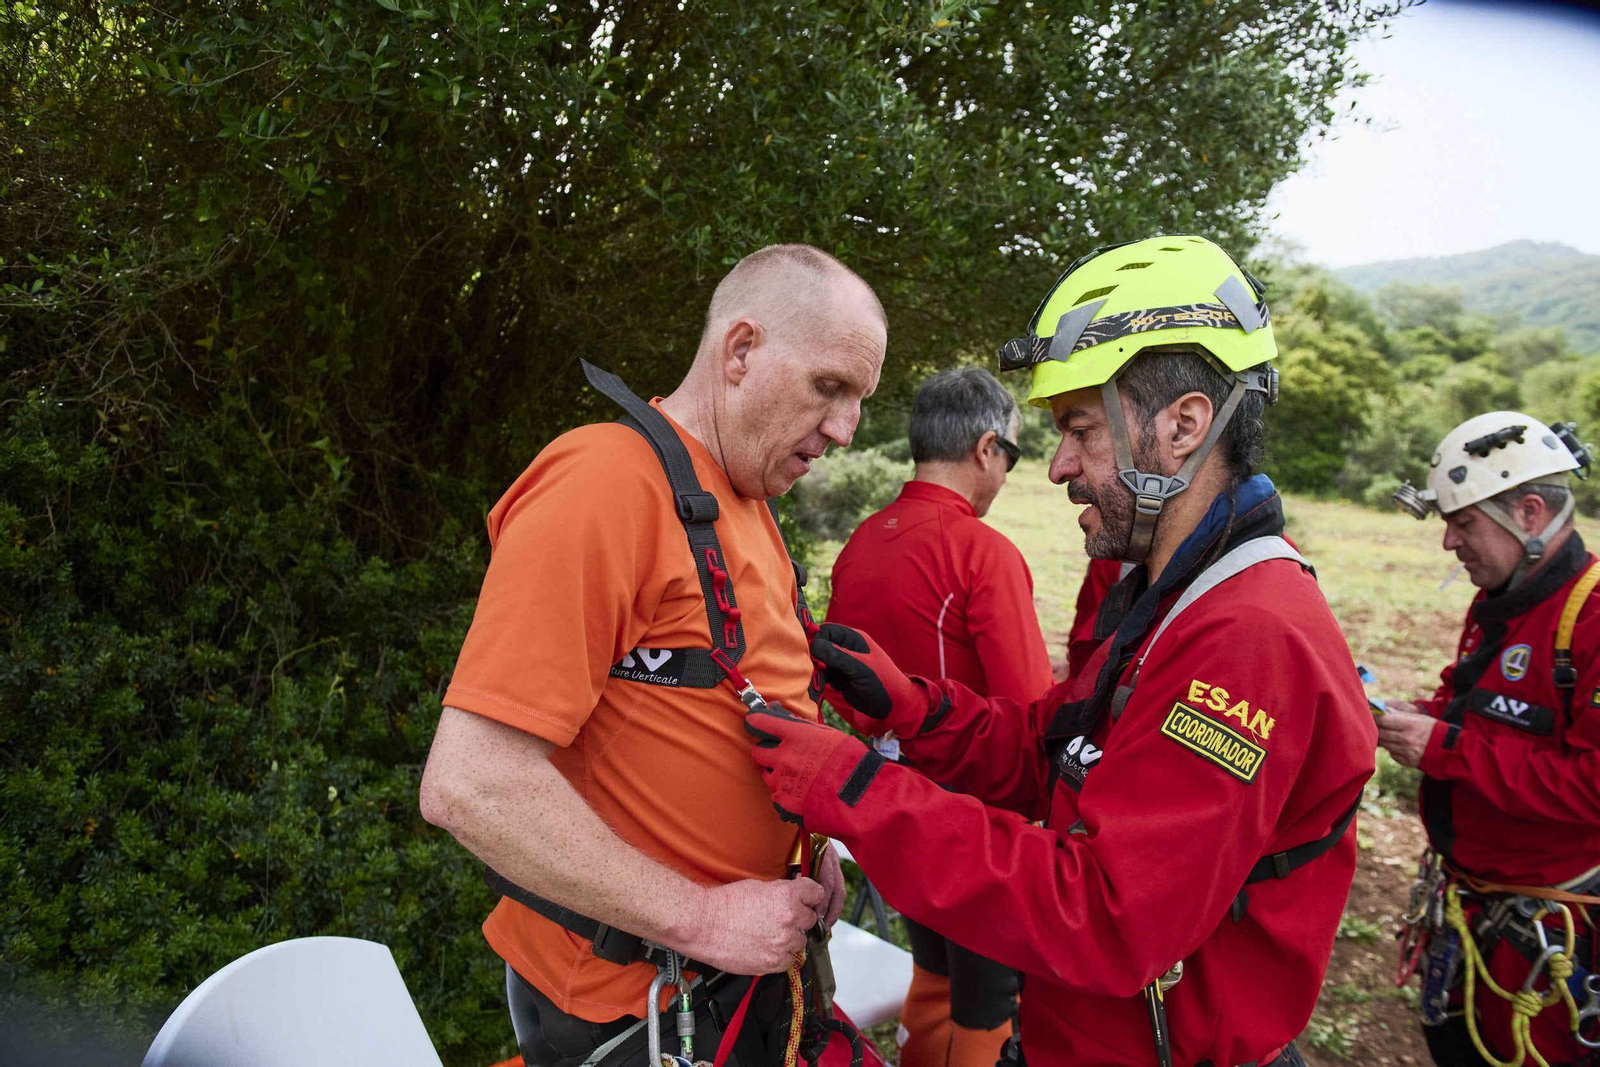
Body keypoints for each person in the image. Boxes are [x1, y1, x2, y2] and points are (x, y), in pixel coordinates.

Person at [741, 234, 1376, 1067]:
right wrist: (914, 706)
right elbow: (1058, 746)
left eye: (1081, 429)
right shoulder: (1173, 595)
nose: (1058, 467)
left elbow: (1110, 914)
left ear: (1183, 424)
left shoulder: (1250, 634)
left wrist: (854, 786)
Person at [418, 244, 887, 1067]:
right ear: (741, 351)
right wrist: (705, 919)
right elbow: (472, 781)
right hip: (640, 1014)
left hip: (749, 991)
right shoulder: (606, 482)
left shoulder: (742, 499)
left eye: (860, 400)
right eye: (829, 387)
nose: (847, 429)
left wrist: (813, 847)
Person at [825, 367, 1052, 1067]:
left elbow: (838, 679)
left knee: (932, 970)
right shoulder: (983, 552)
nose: (1008, 474)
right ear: (987, 449)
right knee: (988, 998)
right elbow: (1031, 716)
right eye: (1012, 457)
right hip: (976, 819)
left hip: (888, 807)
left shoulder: (864, 540)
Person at [1384, 411, 1600, 1067]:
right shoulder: (1505, 599)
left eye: (1464, 522)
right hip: (1477, 918)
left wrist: (1441, 747)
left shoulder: (1589, 618)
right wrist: (1410, 714)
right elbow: (1474, 707)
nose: (1449, 542)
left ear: (1530, 513)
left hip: (1556, 943)